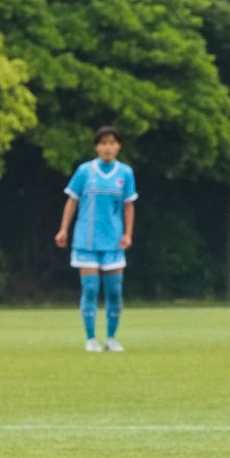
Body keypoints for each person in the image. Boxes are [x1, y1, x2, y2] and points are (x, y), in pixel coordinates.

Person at [55, 125, 138, 352]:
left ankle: (111, 337)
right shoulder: (85, 171)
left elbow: (129, 206)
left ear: (118, 146)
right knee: (90, 288)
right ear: (96, 147)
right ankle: (91, 338)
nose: (108, 148)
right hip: (86, 240)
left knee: (114, 290)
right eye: (103, 143)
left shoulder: (125, 173)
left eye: (112, 143)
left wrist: (128, 234)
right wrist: (64, 229)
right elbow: (71, 201)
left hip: (113, 241)